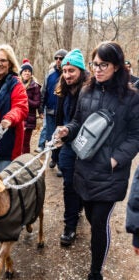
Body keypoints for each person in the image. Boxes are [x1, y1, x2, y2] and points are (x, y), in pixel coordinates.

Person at [55, 41, 139, 280]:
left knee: (100, 222)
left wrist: (115, 159)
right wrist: (66, 131)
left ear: (117, 66)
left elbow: (135, 136)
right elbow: (77, 123)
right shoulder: (86, 91)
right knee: (92, 218)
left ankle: (95, 272)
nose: (98, 69)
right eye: (95, 64)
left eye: (104, 64)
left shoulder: (131, 97)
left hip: (110, 173)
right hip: (85, 167)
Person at [54, 49, 90, 246]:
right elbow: (60, 118)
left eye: (72, 71)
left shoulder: (90, 91)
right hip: (68, 145)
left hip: (86, 146)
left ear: (81, 71)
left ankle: (80, 207)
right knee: (69, 185)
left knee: (82, 184)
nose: (67, 75)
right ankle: (70, 226)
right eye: (65, 71)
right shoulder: (63, 90)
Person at [0, 44, 28, 174]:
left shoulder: (15, 83)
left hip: (7, 142)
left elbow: (21, 107)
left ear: (9, 63)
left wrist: (9, 118)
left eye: (3, 60)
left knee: (3, 184)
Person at [40, 49, 67, 170]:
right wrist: (41, 108)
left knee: (62, 137)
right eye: (56, 58)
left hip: (64, 113)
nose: (58, 60)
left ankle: (61, 163)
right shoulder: (50, 74)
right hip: (50, 112)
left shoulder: (68, 74)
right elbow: (44, 91)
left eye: (61, 58)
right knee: (52, 137)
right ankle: (54, 158)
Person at [19, 58, 41, 154]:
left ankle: (25, 162)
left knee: (25, 143)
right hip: (18, 117)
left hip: (29, 118)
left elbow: (37, 103)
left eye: (29, 71)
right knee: (17, 142)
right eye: (25, 71)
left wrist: (25, 98)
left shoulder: (35, 86)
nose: (27, 73)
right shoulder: (17, 84)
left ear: (31, 74)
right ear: (21, 73)